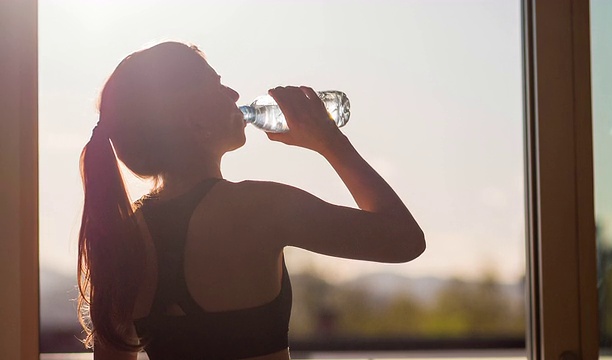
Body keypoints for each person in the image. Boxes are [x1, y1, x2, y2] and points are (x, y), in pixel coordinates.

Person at [77, 41, 425, 360]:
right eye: (217, 85)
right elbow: (404, 240)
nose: (234, 93)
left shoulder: (122, 240)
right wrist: (329, 141)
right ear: (196, 121)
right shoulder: (259, 207)